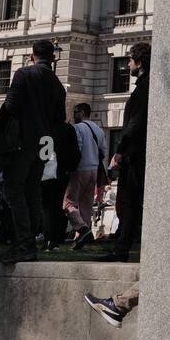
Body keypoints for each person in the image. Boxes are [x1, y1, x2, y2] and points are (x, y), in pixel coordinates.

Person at [0, 39, 67, 264]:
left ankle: (24, 242)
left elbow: (11, 106)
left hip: (22, 142)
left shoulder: (23, 74)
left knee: (14, 190)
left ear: (32, 56)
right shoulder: (57, 84)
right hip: (44, 143)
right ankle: (30, 241)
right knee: (33, 190)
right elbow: (59, 120)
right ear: (53, 57)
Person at [95, 42, 150, 262]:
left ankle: (122, 248)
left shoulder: (144, 89)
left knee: (129, 201)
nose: (127, 64)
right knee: (130, 203)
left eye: (130, 60)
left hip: (135, 155)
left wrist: (120, 151)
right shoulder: (144, 87)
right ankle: (123, 245)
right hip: (136, 153)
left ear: (139, 62)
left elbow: (134, 124)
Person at [67, 103, 106, 245]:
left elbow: (77, 148)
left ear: (82, 112)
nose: (74, 115)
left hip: (80, 168)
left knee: (67, 203)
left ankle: (83, 229)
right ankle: (81, 237)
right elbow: (103, 150)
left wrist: (71, 166)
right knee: (86, 205)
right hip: (94, 170)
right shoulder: (99, 130)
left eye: (76, 112)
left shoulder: (77, 128)